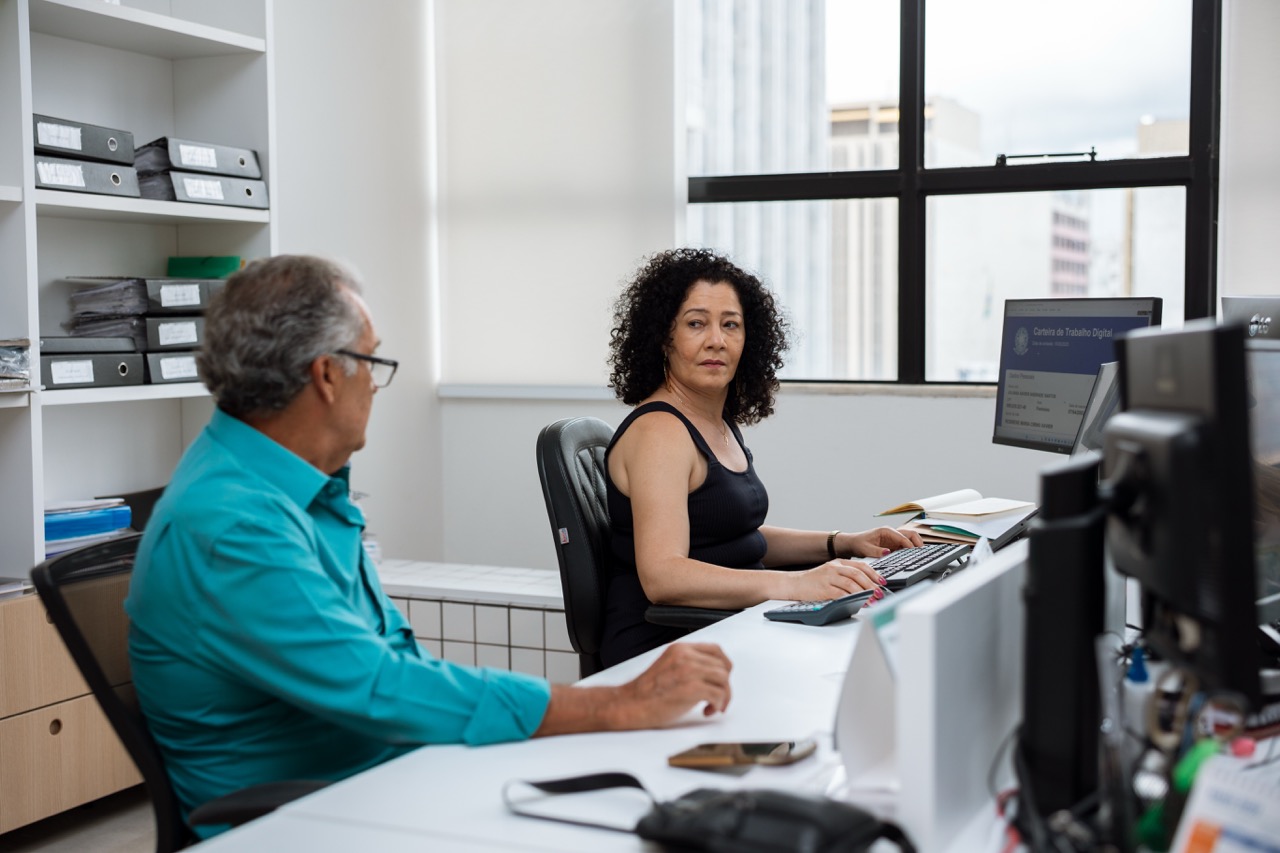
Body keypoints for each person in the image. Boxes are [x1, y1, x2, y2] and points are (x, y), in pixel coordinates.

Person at [125, 255, 732, 836]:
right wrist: (615, 705)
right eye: (371, 362)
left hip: (392, 779)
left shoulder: (298, 488)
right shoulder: (234, 525)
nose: (376, 385)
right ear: (327, 375)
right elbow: (380, 687)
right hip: (308, 819)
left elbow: (397, 665)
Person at [600, 248, 924, 665]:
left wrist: (842, 543)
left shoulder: (711, 421)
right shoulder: (659, 432)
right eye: (696, 323)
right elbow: (664, 577)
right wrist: (796, 585)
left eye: (730, 324)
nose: (716, 340)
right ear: (664, 338)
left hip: (725, 628)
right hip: (666, 653)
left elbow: (736, 539)